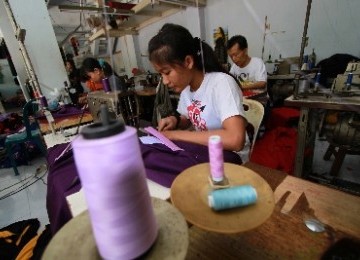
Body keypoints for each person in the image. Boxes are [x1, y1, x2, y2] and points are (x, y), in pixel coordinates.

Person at [148, 23, 246, 152]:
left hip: (229, 158)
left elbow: (235, 139)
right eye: (160, 74)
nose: (164, 81)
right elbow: (189, 118)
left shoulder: (221, 83)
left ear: (188, 62)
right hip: (205, 152)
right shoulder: (186, 90)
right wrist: (175, 120)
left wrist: (175, 135)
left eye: (167, 72)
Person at [227, 35, 268, 102]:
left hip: (259, 102)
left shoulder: (257, 62)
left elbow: (262, 83)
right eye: (231, 56)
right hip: (243, 102)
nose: (234, 59)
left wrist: (241, 87)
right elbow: (231, 83)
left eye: (236, 55)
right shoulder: (234, 67)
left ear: (245, 51)